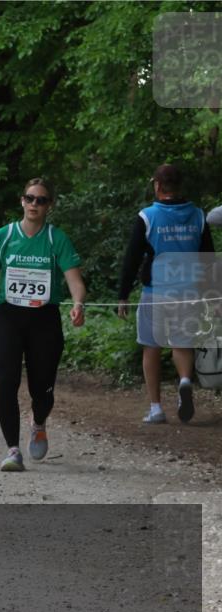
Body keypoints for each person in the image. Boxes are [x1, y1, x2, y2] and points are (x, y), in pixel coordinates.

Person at [0, 178, 86, 472]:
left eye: (41, 200)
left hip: (45, 318)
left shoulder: (57, 239)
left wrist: (78, 303)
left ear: (49, 205)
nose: (34, 204)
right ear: (22, 201)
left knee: (42, 389)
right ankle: (12, 449)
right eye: (29, 198)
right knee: (7, 381)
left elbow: (74, 279)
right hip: (9, 316)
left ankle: (39, 422)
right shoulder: (3, 236)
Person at [117, 164, 215, 424]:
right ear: (179, 186)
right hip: (189, 292)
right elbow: (207, 259)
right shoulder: (198, 216)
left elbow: (132, 258)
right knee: (182, 344)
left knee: (151, 347)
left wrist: (123, 294)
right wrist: (211, 294)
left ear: (158, 186)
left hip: (156, 292)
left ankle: (156, 408)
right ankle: (184, 380)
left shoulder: (148, 216)